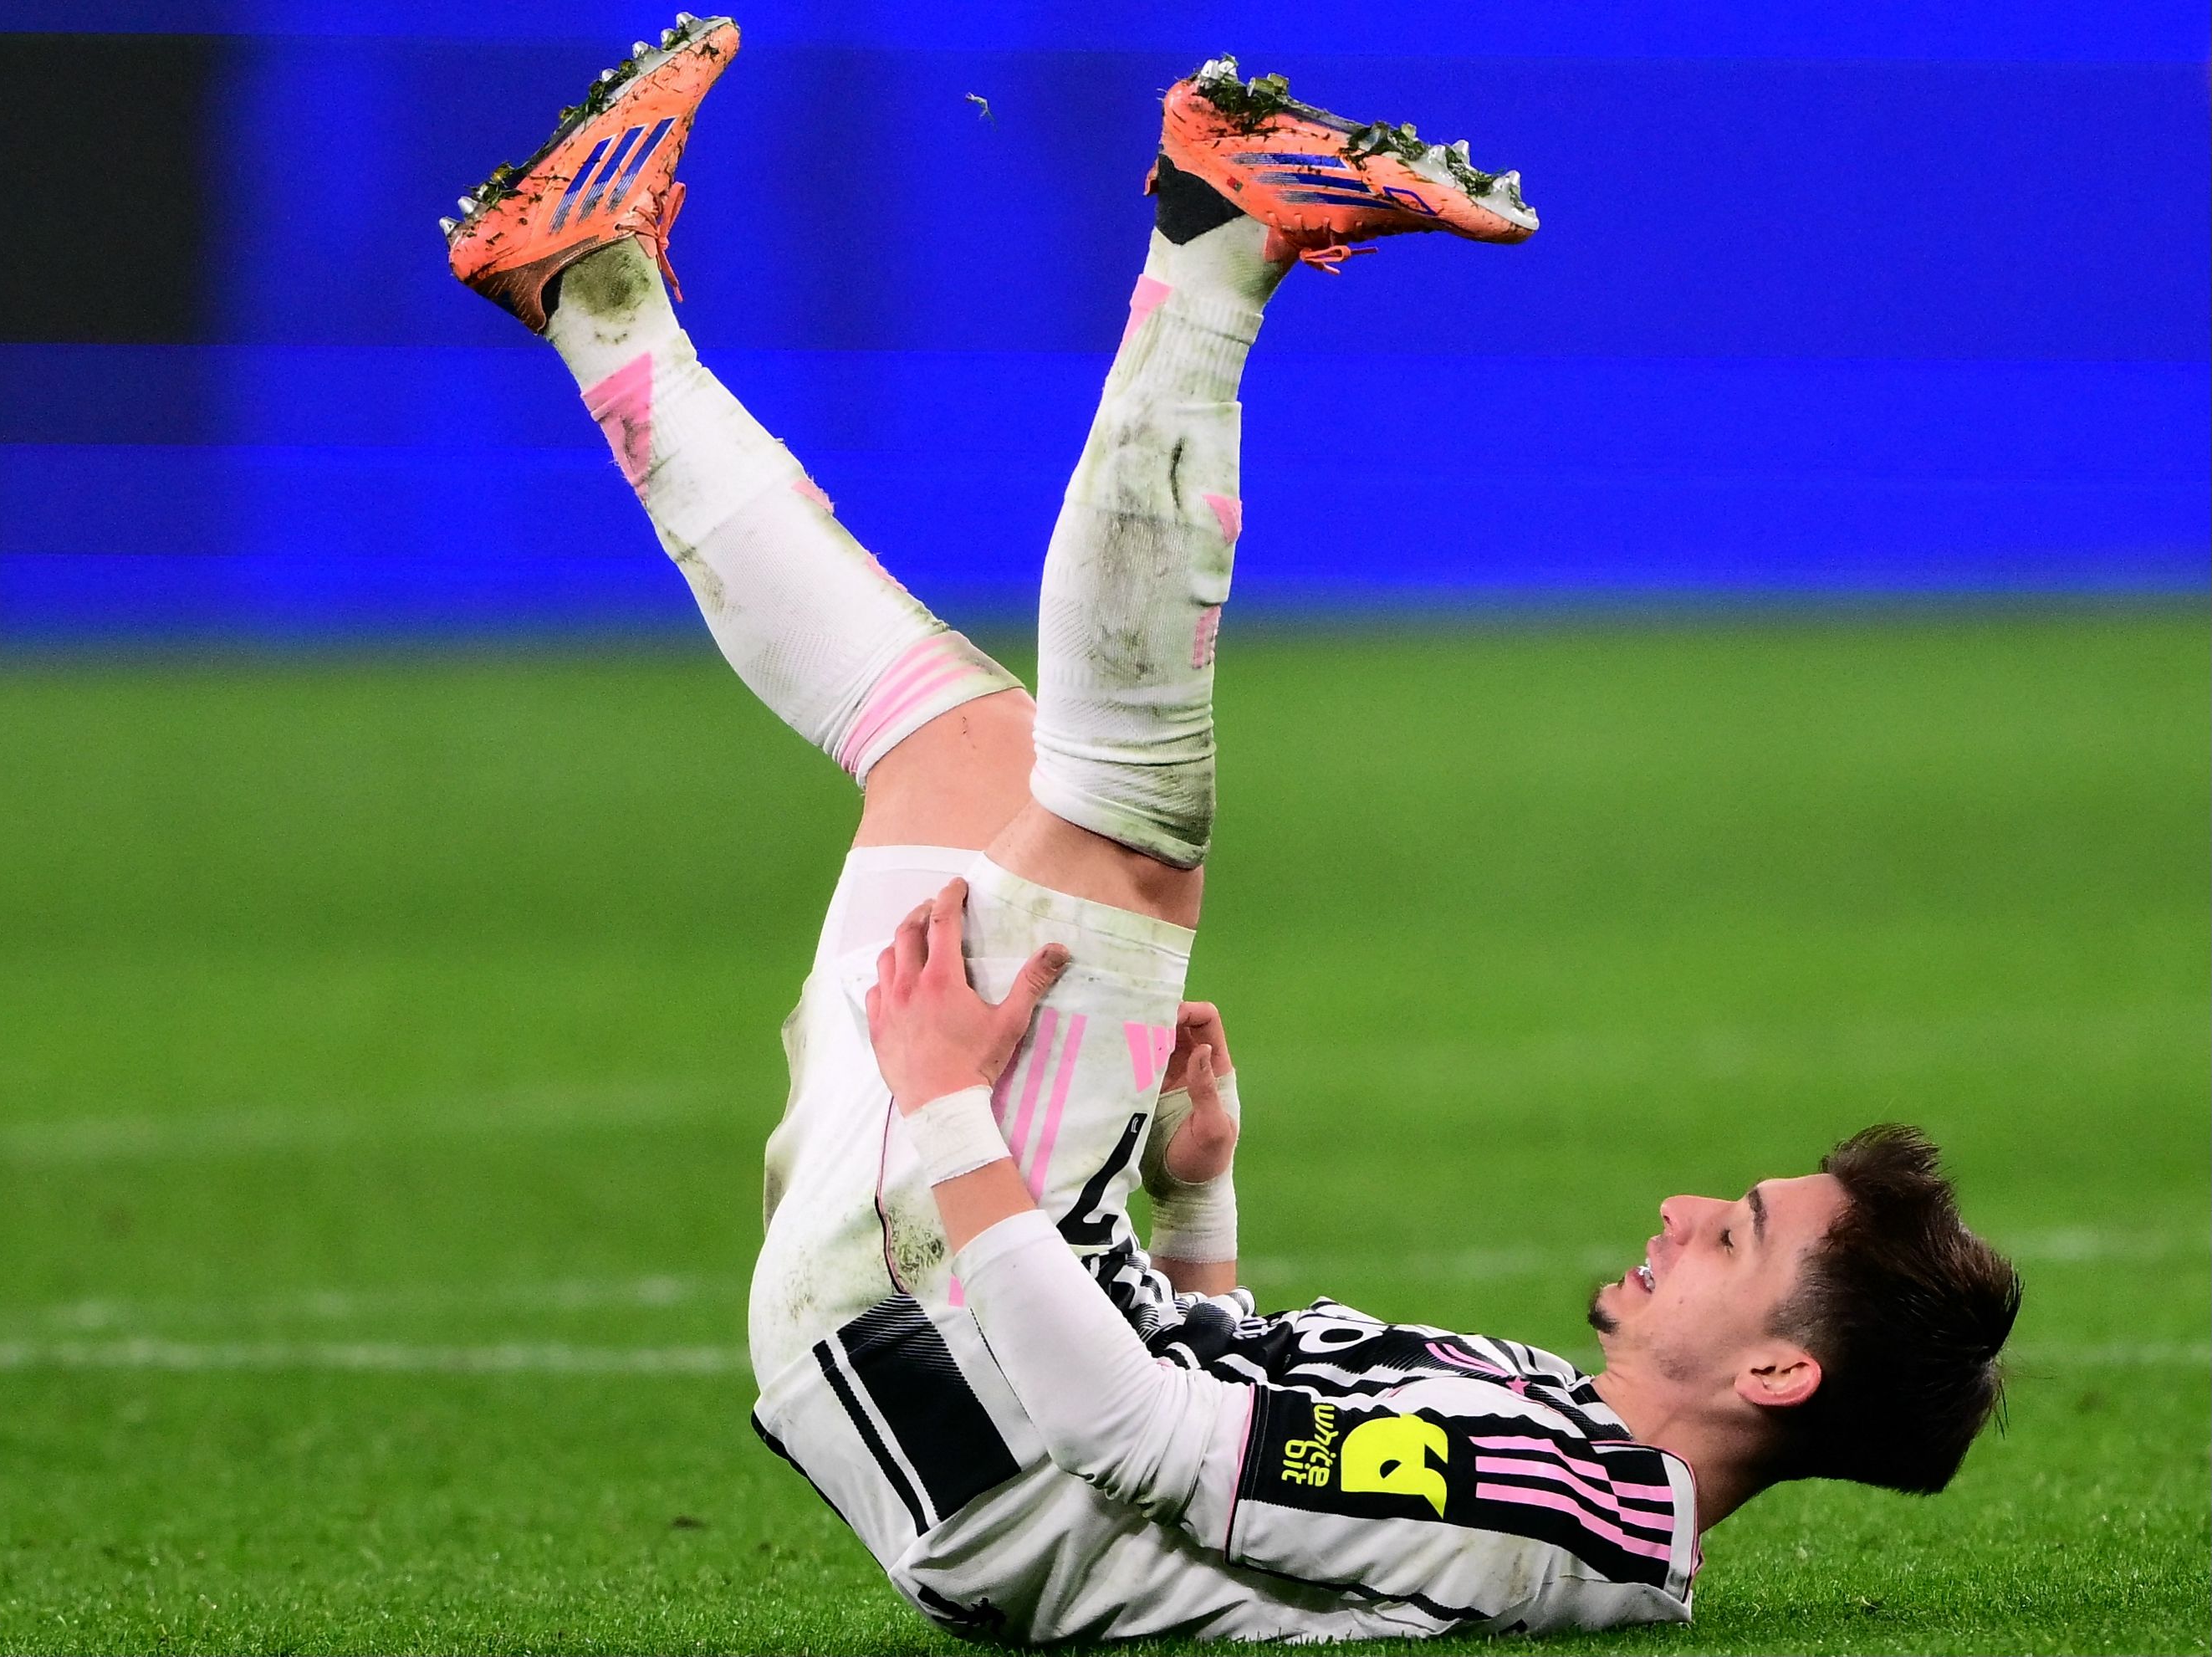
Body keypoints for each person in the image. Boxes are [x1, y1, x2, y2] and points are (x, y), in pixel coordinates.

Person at [443, 17, 2023, 1640]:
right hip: (944, 1350)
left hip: (962, 1360)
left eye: (1739, 1235)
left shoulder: (1583, 1514)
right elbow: (1226, 1430)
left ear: (1776, 1371)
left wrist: (951, 1111)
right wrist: (1198, 1203)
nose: (1686, 1210)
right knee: (962, 749)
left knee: (1133, 826)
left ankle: (1215, 239)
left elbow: (1133, 1437)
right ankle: (591, 290)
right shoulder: (1564, 1438)